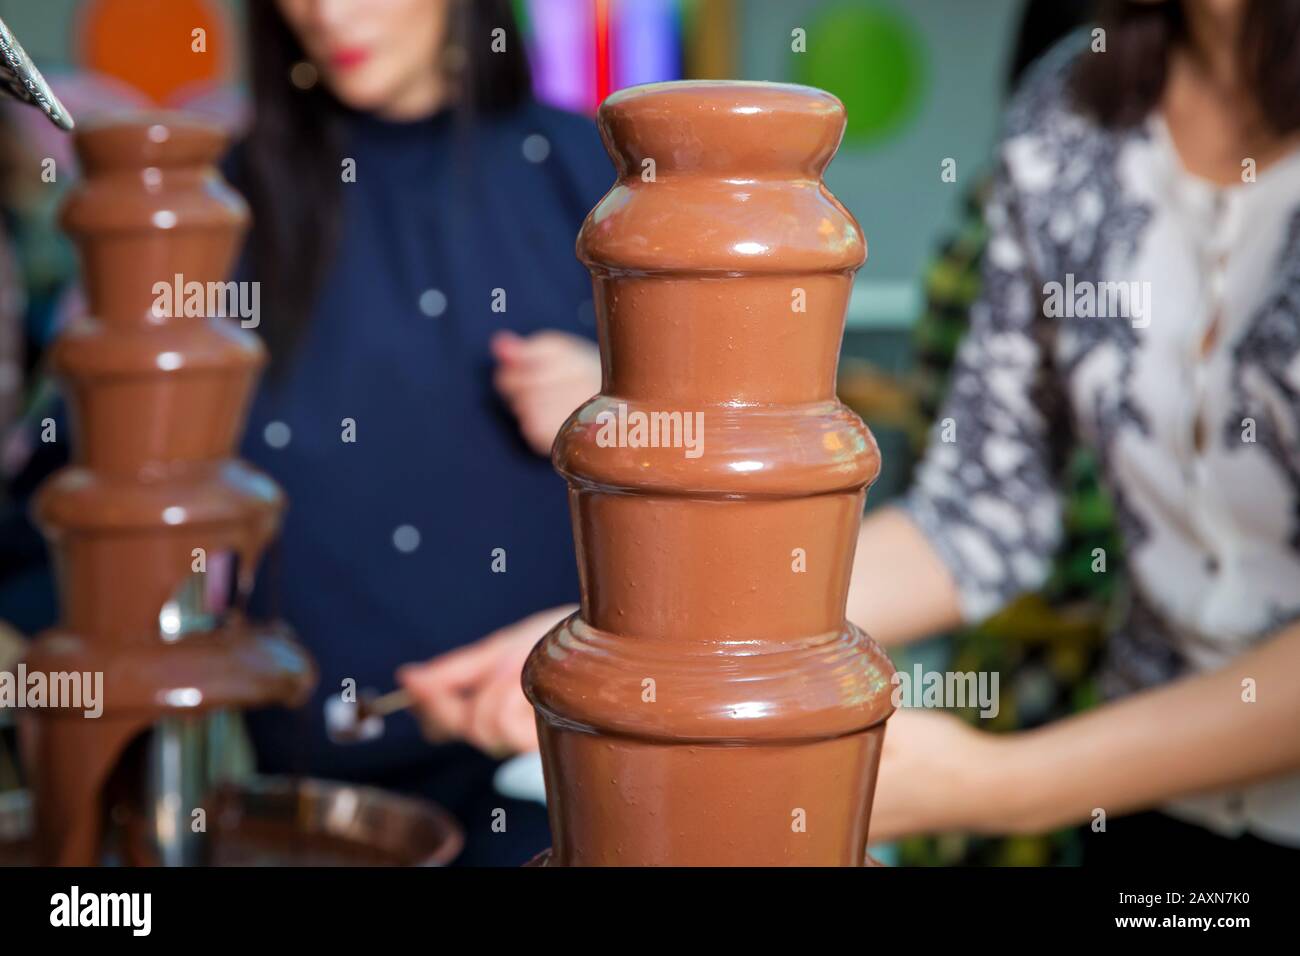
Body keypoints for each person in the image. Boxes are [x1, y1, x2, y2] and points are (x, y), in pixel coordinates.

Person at [403, 0, 1300, 864]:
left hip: (1110, 776)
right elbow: (982, 517)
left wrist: (1010, 784)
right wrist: (644, 644)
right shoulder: (1071, 114)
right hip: (1153, 825)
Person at [227, 0, 608, 866]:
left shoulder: (587, 171)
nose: (325, 13)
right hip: (318, 807)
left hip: (556, 777)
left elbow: (734, 456)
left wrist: (627, 405)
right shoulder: (230, 200)